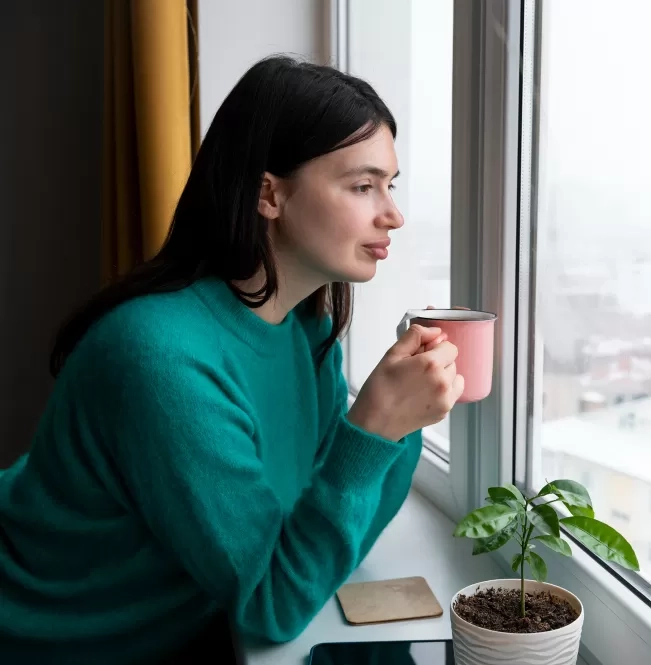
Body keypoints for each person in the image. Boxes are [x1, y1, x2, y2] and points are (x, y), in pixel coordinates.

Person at [0, 56, 464, 664]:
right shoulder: (161, 359)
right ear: (269, 194)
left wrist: (400, 421)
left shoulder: (304, 326)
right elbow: (274, 605)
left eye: (390, 185)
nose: (392, 214)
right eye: (362, 185)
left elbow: (330, 539)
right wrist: (375, 426)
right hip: (48, 637)